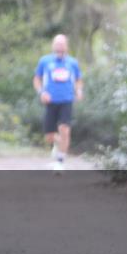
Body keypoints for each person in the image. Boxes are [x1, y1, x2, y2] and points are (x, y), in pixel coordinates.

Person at [33, 34, 83, 174]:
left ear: (66, 46)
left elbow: (78, 79)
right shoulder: (45, 61)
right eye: (57, 44)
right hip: (50, 101)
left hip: (66, 100)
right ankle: (58, 144)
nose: (59, 46)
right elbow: (37, 80)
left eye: (62, 44)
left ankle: (60, 162)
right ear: (53, 46)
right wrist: (42, 92)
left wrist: (79, 90)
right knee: (49, 136)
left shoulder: (72, 62)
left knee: (65, 130)